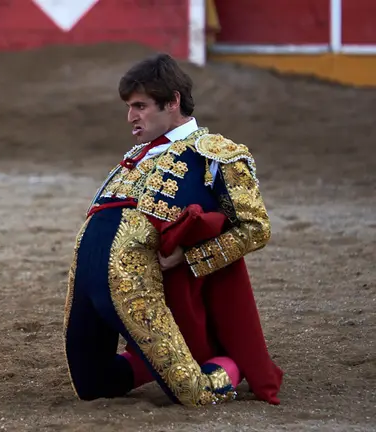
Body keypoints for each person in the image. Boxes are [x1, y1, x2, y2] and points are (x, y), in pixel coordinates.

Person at [62, 53, 284, 407]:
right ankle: (147, 362)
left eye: (140, 106)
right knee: (92, 383)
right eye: (129, 106)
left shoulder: (216, 155)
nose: (131, 117)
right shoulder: (137, 154)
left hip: (136, 279)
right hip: (85, 273)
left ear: (173, 101)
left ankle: (234, 363)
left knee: (196, 394)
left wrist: (191, 256)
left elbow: (256, 227)